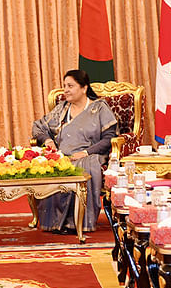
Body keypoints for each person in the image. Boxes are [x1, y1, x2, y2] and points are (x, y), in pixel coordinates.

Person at [32, 70, 117, 233]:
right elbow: (38, 127)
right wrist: (48, 140)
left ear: (84, 88)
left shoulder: (99, 108)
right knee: (52, 168)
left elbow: (109, 138)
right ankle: (55, 223)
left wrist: (85, 153)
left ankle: (76, 222)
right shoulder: (62, 109)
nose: (66, 90)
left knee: (80, 170)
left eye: (70, 86)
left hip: (90, 155)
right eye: (64, 86)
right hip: (63, 155)